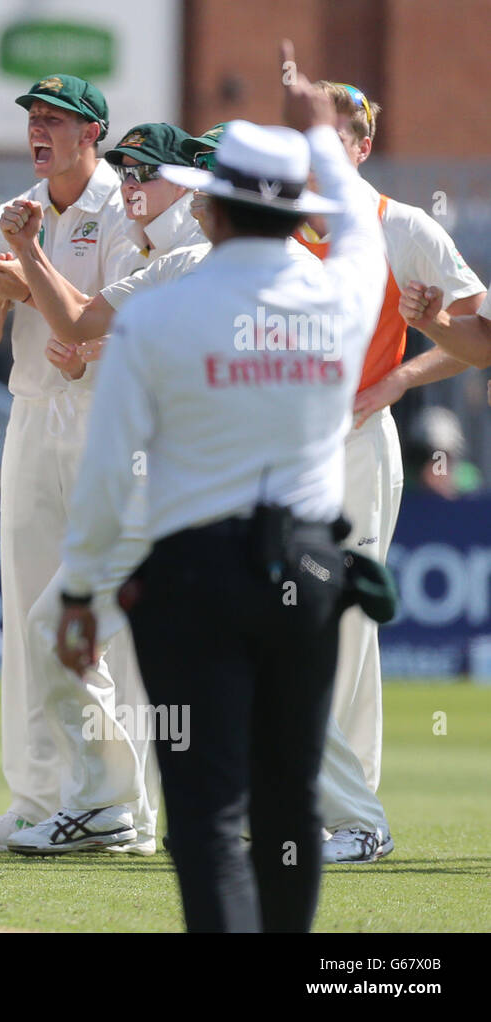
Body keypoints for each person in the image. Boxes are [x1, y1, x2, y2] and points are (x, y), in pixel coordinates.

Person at [56, 47, 386, 931]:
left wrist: (81, 589)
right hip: (311, 573)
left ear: (210, 202)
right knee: (289, 802)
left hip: (192, 580)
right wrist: (322, 140)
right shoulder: (338, 299)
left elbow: (105, 472)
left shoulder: (161, 314)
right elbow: (363, 230)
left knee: (207, 815)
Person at [0, 73, 145, 851]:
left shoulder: (125, 210)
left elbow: (118, 323)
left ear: (91, 133)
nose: (39, 130)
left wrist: (26, 286)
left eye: (55, 119)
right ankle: (36, 798)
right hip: (32, 415)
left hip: (105, 420)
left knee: (110, 618)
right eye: (32, 116)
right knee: (28, 607)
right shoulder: (16, 213)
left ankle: (127, 806)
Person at [295, 81, 484, 863]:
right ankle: (305, 801)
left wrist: (414, 357)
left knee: (341, 624)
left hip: (357, 448)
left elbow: (482, 339)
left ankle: (352, 815)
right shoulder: (269, 227)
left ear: (363, 148)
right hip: (276, 449)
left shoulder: (401, 227)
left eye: (334, 140)